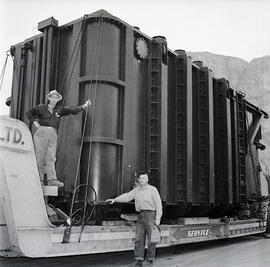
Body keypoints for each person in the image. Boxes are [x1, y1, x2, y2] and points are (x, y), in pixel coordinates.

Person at [26, 90, 91, 187]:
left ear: (58, 99)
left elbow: (72, 110)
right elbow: (29, 113)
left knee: (51, 157)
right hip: (42, 132)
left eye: (56, 97)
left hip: (53, 133)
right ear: (49, 98)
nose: (54, 99)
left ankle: (52, 180)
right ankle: (38, 180)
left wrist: (84, 106)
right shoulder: (41, 107)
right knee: (40, 156)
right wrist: (34, 122)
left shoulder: (59, 110)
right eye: (52, 97)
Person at [106, 172, 162, 267]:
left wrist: (158, 218)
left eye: (144, 178)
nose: (142, 180)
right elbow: (127, 196)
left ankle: (150, 259)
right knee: (139, 238)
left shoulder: (153, 190)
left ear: (147, 180)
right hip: (140, 215)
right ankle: (138, 260)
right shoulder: (137, 190)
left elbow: (158, 204)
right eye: (140, 178)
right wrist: (115, 200)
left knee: (152, 239)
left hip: (150, 214)